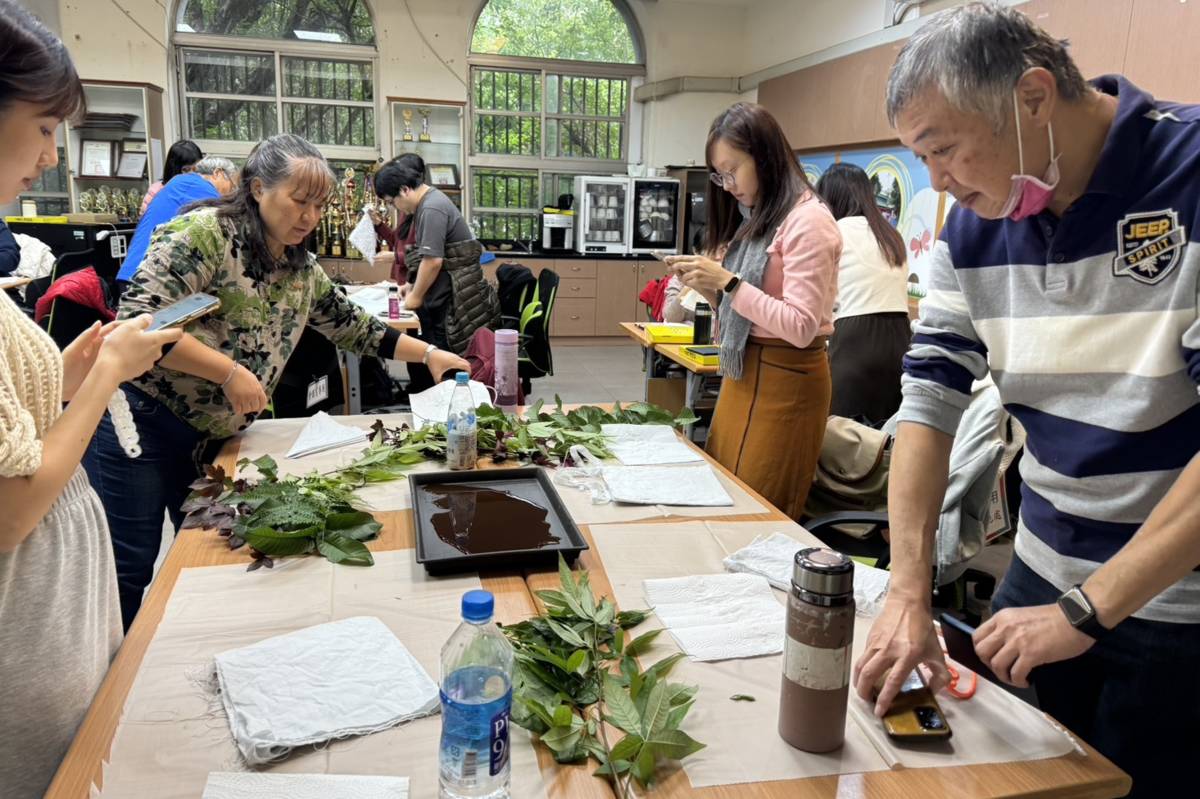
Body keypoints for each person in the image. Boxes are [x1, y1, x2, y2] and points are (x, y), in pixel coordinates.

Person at [852, 4, 1200, 796]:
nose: (936, 181)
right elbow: (928, 405)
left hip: (1177, 606)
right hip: (1042, 570)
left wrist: (1090, 609)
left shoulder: (1191, 174)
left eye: (943, 149)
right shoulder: (977, 227)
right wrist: (908, 589)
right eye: (921, 158)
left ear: (1034, 98)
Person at [83, 134, 469, 629]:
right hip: (142, 422)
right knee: (128, 564)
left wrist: (431, 354)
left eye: (319, 205)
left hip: (216, 439)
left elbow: (353, 325)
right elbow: (140, 323)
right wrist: (228, 371)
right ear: (258, 187)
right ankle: (112, 685)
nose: (309, 217)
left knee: (202, 553)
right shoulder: (205, 236)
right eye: (299, 200)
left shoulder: (299, 266)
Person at [0, 4, 183, 795]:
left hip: (57, 623)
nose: (50, 153)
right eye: (42, 127)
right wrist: (108, 376)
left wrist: (71, 370)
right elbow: (10, 508)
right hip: (26, 648)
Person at [668, 103, 841, 520]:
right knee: (725, 489)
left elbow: (800, 327)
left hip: (789, 379)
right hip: (744, 374)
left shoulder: (808, 221)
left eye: (732, 171)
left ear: (764, 157)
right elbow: (743, 311)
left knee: (761, 509)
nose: (726, 186)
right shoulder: (760, 219)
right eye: (719, 175)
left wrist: (728, 283)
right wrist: (711, 290)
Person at [374, 153, 500, 392]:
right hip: (447, 297)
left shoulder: (431, 207)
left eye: (392, 201)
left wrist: (415, 297)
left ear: (405, 190)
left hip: (456, 303)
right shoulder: (426, 205)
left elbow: (433, 261)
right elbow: (426, 259)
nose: (395, 207)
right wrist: (412, 287)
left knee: (448, 368)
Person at [816, 163, 910, 425]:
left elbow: (823, 297)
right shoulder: (891, 235)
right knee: (881, 444)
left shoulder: (835, 231)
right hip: (900, 341)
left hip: (855, 342)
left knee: (840, 441)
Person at [116, 156, 237, 283]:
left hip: (138, 272)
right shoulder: (199, 187)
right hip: (146, 277)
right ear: (218, 173)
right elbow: (230, 221)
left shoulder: (181, 182)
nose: (231, 192)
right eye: (232, 185)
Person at [140, 139, 203, 214]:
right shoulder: (156, 192)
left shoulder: (203, 189)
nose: (192, 174)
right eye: (186, 170)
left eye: (196, 169)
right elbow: (147, 220)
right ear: (173, 169)